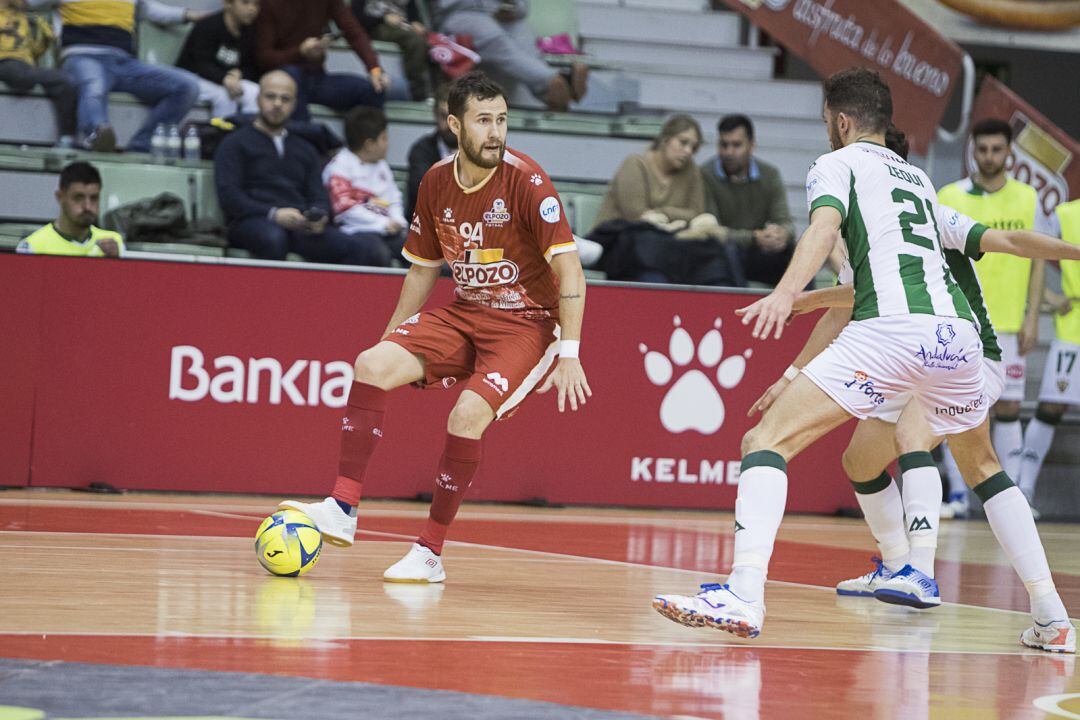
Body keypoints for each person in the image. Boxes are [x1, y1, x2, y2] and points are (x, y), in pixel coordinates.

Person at [650, 68, 995, 642]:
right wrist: (795, 371)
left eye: (824, 123)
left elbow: (821, 230)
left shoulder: (835, 164)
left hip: (883, 333)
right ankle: (1020, 602)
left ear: (839, 121)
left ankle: (743, 594)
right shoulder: (917, 178)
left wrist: (785, 294)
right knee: (970, 467)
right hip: (952, 339)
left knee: (766, 442)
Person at [747, 124, 1076, 653]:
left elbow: (1012, 242)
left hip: (965, 352)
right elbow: (852, 301)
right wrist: (794, 351)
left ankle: (922, 572)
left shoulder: (916, 212)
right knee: (860, 462)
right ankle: (903, 567)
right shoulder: (887, 225)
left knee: (919, 441)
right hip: (919, 350)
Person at [277, 71, 590, 583]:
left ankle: (429, 551)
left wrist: (571, 352)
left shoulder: (528, 181)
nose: (496, 132)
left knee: (465, 417)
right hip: (466, 312)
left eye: (502, 120)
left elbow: (570, 269)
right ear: (454, 125)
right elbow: (423, 269)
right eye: (483, 121)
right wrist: (391, 336)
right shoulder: (435, 181)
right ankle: (342, 507)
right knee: (370, 364)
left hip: (527, 326)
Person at [937, 119, 1049, 518]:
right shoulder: (949, 195)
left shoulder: (1027, 198)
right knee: (960, 407)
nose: (988, 157)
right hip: (961, 320)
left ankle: (1014, 498)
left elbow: (1037, 262)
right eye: (981, 149)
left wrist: (1032, 317)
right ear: (972, 151)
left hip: (1008, 324)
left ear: (1009, 153)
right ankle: (957, 496)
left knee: (1009, 408)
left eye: (996, 150)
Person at [214, 70, 391, 266]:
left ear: (295, 104)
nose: (277, 104)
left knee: (368, 250)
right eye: (270, 96)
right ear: (257, 99)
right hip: (252, 220)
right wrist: (274, 214)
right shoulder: (234, 143)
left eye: (285, 99)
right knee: (273, 238)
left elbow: (318, 195)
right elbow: (230, 197)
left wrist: (319, 216)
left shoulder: (305, 148)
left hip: (300, 225)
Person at [25, 0, 202, 153]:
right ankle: (97, 136)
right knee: (94, 86)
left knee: (187, 87)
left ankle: (141, 146)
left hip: (125, 63)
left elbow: (152, 11)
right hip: (83, 56)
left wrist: (189, 15)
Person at [590, 115, 739, 286]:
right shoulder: (635, 164)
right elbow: (637, 215)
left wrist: (662, 213)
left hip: (668, 250)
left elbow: (697, 213)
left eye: (694, 147)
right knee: (654, 274)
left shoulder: (692, 171)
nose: (688, 151)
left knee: (715, 263)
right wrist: (678, 217)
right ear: (665, 140)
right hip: (622, 249)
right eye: (683, 142)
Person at [1013, 198, 1080, 508]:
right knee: (1053, 405)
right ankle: (1023, 489)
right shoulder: (1065, 215)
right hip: (1073, 328)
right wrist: (1050, 297)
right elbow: (1033, 253)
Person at [434, 0, 586, 112]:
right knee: (495, 39)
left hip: (500, 15)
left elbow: (523, 8)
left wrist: (514, 7)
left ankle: (555, 93)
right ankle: (554, 82)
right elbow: (446, 5)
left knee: (524, 35)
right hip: (461, 15)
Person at [700, 114, 795, 287]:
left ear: (752, 146)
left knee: (796, 250)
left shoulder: (770, 174)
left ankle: (806, 308)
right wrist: (753, 237)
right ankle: (738, 307)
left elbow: (785, 222)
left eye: (736, 145)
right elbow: (712, 231)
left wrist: (781, 234)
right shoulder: (706, 175)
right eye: (724, 145)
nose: (729, 152)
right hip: (725, 253)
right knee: (725, 250)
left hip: (760, 251)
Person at [255, 0, 389, 123]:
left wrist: (374, 69)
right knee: (290, 77)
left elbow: (354, 32)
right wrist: (300, 52)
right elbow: (264, 57)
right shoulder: (270, 4)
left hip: (316, 78)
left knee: (373, 90)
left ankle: (364, 146)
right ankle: (306, 140)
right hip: (284, 79)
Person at [323, 106, 406, 261]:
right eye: (384, 138)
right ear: (369, 144)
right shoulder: (338, 168)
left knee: (422, 254)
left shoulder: (381, 165)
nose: (387, 144)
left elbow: (394, 198)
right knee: (378, 254)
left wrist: (398, 220)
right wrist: (383, 224)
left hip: (388, 229)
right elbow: (345, 209)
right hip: (355, 231)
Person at [0, 0, 77, 147]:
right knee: (21, 76)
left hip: (21, 66)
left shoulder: (21, 16)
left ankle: (67, 138)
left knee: (64, 80)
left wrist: (44, 41)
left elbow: (30, 55)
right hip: (3, 62)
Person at [17, 161, 123, 257]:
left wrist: (115, 262)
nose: (87, 206)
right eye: (78, 198)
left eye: (94, 198)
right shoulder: (34, 246)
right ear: (60, 197)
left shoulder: (113, 243)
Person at [176, 0, 261, 119]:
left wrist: (239, 73)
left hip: (226, 79)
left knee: (255, 92)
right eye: (245, 2)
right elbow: (201, 64)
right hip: (192, 77)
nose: (252, 9)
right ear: (228, 4)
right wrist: (224, 79)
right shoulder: (208, 25)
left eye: (256, 4)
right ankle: (222, 135)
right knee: (225, 95)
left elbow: (252, 66)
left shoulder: (250, 31)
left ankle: (249, 135)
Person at [351, 0, 432, 101]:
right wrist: (383, 19)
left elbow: (412, 12)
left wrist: (415, 22)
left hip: (404, 26)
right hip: (376, 27)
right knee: (415, 41)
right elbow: (356, 17)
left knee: (435, 45)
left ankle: (437, 94)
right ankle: (417, 91)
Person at [405, 82, 456, 220]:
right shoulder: (421, 151)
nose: (450, 125)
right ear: (434, 115)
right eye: (443, 116)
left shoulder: (479, 151)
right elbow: (423, 194)